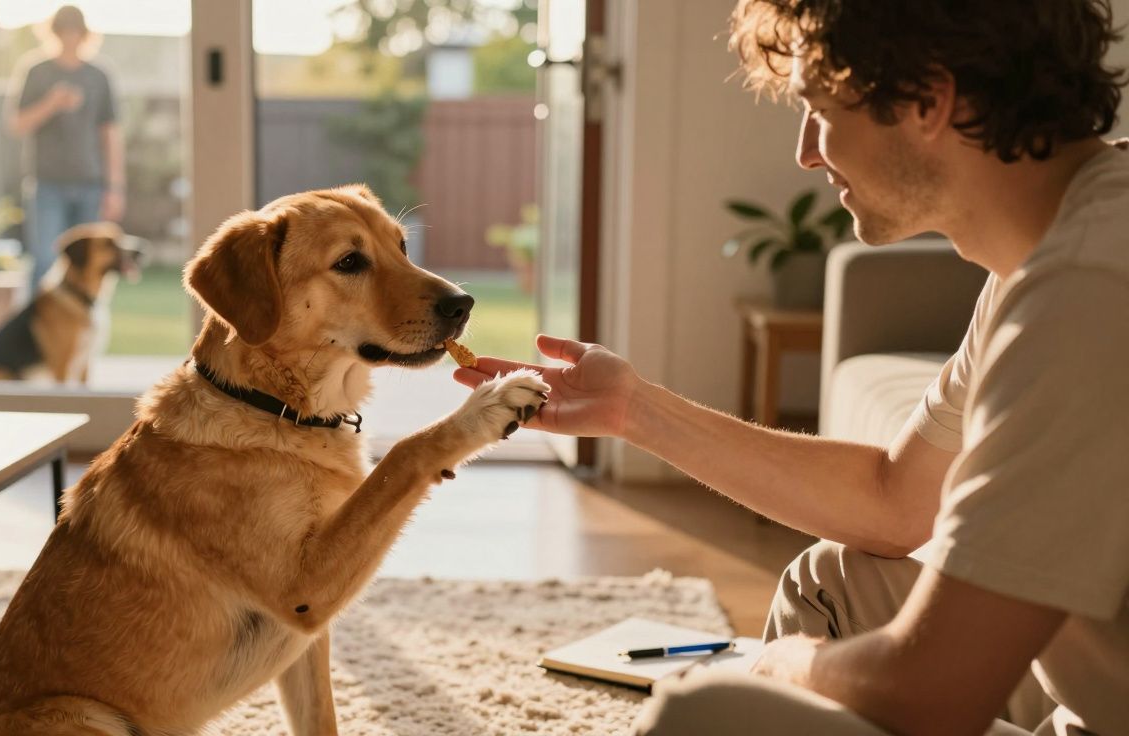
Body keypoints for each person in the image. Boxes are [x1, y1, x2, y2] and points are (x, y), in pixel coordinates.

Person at [454, 1, 1129, 734]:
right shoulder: (1052, 250)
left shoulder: (1088, 288)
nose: (807, 151)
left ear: (927, 101)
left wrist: (786, 666)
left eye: (819, 110)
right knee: (832, 584)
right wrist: (633, 409)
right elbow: (896, 500)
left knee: (704, 715)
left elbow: (929, 693)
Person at [7, 4, 124, 293]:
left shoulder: (99, 76)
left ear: (84, 34)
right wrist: (52, 103)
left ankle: (82, 334)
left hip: (91, 185)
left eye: (75, 32)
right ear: (53, 32)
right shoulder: (37, 72)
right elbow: (17, 124)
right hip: (47, 184)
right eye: (63, 31)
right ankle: (35, 333)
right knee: (45, 261)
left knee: (90, 267)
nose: (69, 38)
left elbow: (110, 134)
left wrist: (115, 187)